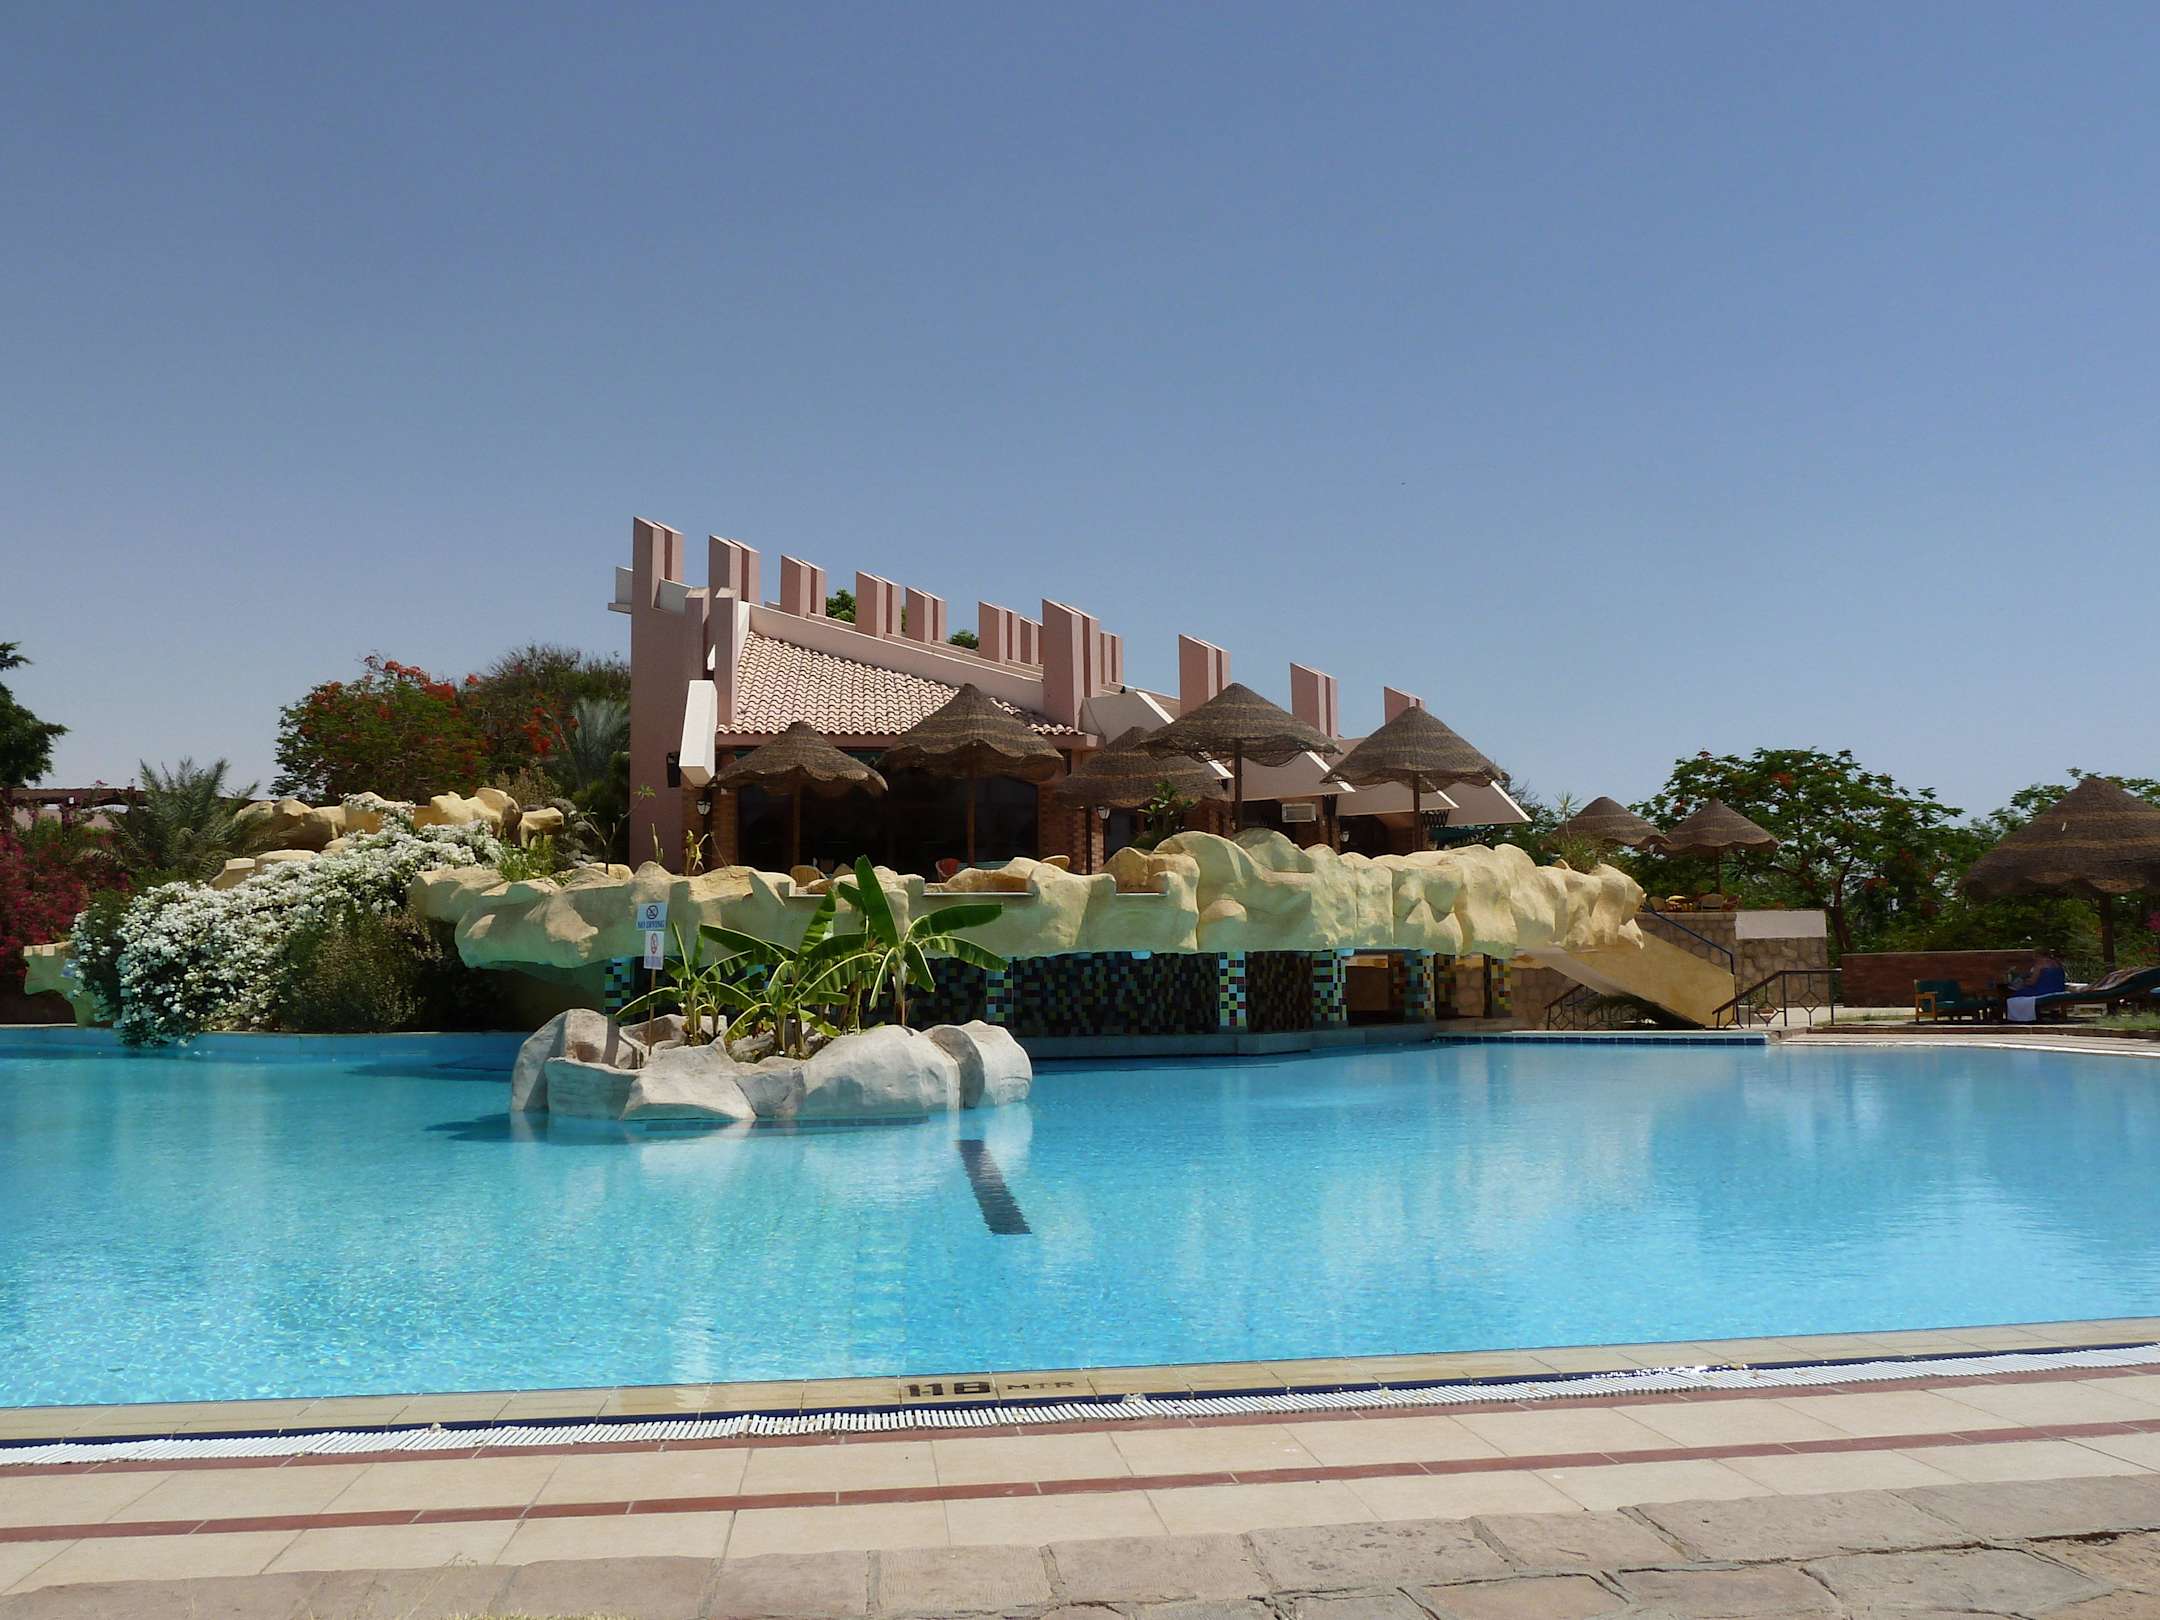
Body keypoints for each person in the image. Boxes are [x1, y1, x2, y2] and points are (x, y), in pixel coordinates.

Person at [2005, 949, 2068, 1023]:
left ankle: (2020, 1018)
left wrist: (2022, 982)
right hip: (2059, 989)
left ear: (2038, 956)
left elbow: (2032, 982)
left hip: (2043, 991)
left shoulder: (2040, 964)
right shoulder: (2057, 963)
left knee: (2014, 996)